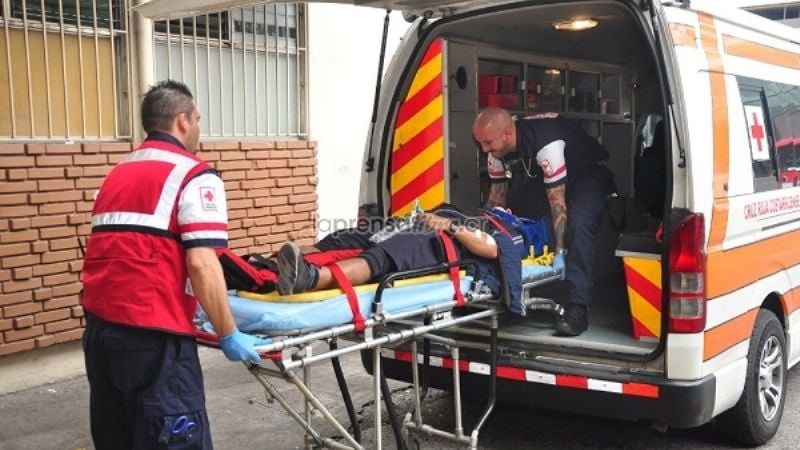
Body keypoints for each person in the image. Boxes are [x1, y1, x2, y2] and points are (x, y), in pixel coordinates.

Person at [81, 80, 269, 450]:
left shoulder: (118, 173)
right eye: (197, 118)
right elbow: (202, 262)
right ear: (182, 121)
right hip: (153, 339)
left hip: (101, 334)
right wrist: (228, 332)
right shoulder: (194, 175)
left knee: (117, 437)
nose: (199, 127)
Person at [472, 108, 616, 336]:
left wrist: (560, 250)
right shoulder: (495, 151)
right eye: (480, 143)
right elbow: (497, 197)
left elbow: (557, 202)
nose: (484, 149)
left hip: (586, 173)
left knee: (578, 224)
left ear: (508, 134)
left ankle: (578, 306)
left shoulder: (547, 145)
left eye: (488, 143)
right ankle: (507, 289)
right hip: (547, 175)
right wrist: (481, 227)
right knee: (515, 217)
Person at [275, 207, 531, 316]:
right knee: (347, 237)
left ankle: (310, 278)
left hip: (438, 241)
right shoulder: (483, 211)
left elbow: (492, 249)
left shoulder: (511, 230)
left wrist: (450, 225)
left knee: (382, 256)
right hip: (419, 223)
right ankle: (269, 268)